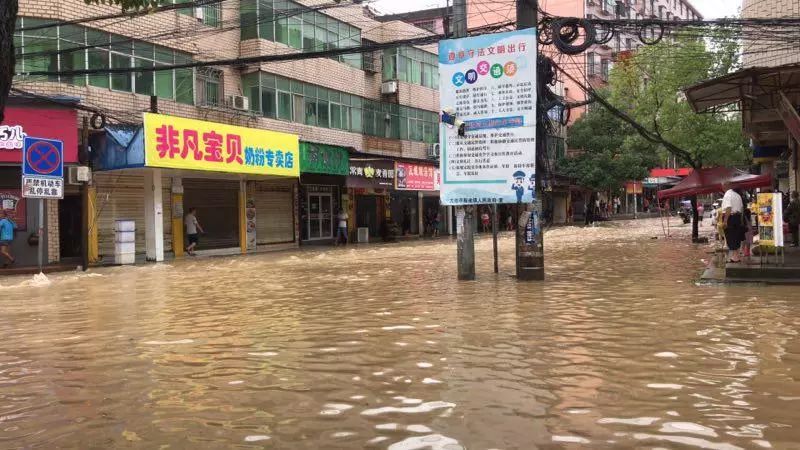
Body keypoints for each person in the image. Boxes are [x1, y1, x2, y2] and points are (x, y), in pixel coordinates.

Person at [720, 185, 745, 263]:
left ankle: (735, 257)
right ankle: (736, 256)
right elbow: (741, 209)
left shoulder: (728, 194)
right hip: (737, 217)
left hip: (731, 217)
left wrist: (725, 221)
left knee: (731, 236)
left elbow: (728, 208)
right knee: (736, 236)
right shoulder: (738, 195)